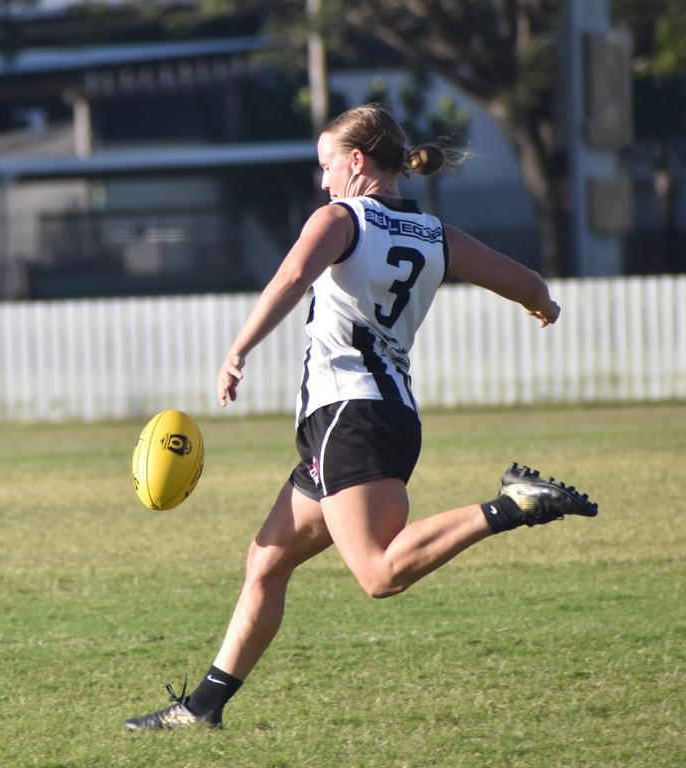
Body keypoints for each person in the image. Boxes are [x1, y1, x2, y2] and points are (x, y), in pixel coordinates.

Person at [123, 104, 599, 732]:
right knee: (266, 561)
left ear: (355, 162)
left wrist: (238, 350)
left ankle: (510, 505)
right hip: (386, 417)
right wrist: (541, 303)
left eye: (327, 166)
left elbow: (295, 274)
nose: (323, 182)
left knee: (379, 573)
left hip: (350, 415)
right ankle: (203, 708)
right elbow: (527, 281)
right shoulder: (437, 234)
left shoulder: (341, 217)